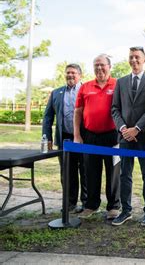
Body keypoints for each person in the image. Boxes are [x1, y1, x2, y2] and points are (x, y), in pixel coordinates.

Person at [111, 46, 145, 226]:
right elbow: (115, 108)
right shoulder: (121, 82)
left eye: (137, 57)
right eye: (131, 57)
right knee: (125, 175)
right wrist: (123, 128)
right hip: (124, 138)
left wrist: (137, 129)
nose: (134, 60)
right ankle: (126, 211)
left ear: (144, 59)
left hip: (144, 137)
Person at [74, 54, 121, 220]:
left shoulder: (118, 84)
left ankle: (114, 207)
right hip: (90, 136)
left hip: (113, 136)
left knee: (113, 172)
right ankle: (91, 205)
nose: (99, 68)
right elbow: (78, 111)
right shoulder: (85, 86)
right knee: (91, 172)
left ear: (109, 66)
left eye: (102, 65)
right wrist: (77, 135)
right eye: (96, 65)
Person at [42, 63, 87, 213]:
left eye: (73, 73)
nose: (70, 75)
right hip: (64, 140)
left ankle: (86, 204)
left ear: (80, 75)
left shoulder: (86, 90)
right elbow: (48, 117)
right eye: (68, 72)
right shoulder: (56, 93)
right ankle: (69, 203)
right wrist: (46, 138)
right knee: (67, 172)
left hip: (83, 138)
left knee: (86, 170)